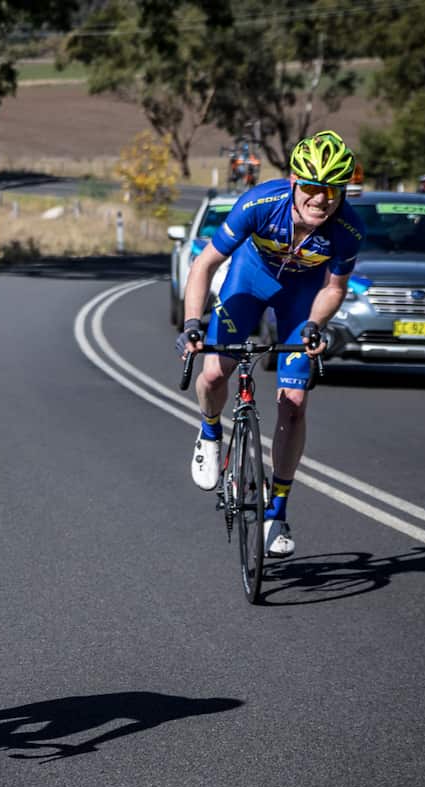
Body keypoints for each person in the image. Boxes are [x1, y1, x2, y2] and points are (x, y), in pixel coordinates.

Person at [177, 130, 365, 558]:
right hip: (250, 279)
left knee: (294, 401)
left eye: (333, 190)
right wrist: (192, 323)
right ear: (296, 183)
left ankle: (276, 511)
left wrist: (316, 325)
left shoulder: (349, 228)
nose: (322, 199)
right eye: (314, 188)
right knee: (212, 371)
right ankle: (209, 432)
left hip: (303, 297)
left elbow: (335, 288)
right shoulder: (261, 204)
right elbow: (205, 263)